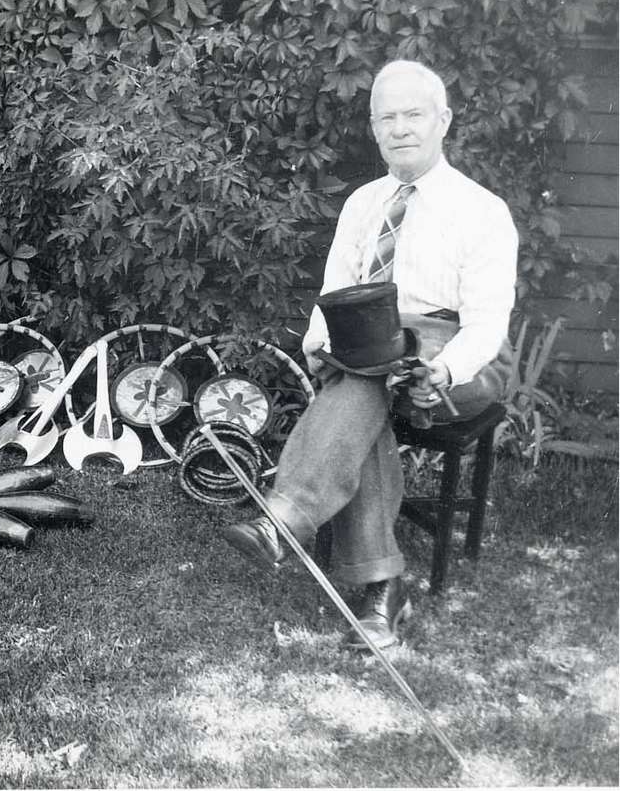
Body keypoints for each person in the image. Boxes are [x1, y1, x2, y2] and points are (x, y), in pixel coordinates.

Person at [220, 59, 518, 650]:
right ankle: (382, 593)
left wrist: (445, 369)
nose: (401, 128)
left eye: (414, 115)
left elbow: (486, 326)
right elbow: (335, 293)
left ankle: (286, 518)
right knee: (367, 381)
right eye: (388, 117)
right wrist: (317, 342)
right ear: (374, 128)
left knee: (366, 376)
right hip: (375, 355)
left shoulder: (482, 210)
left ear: (444, 121)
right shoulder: (363, 203)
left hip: (460, 354)